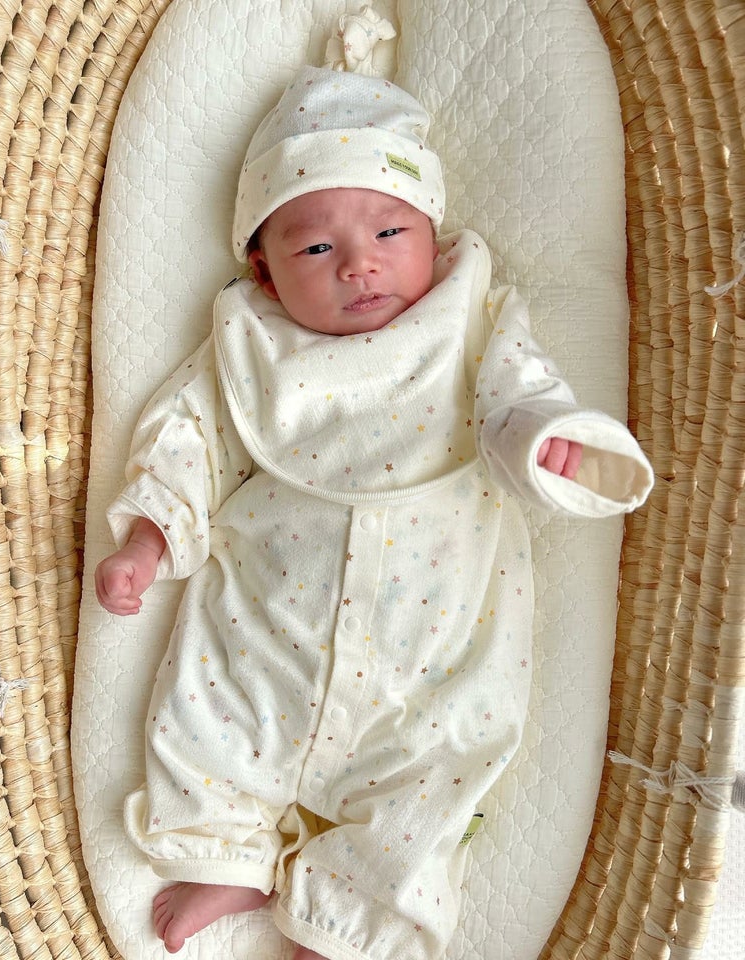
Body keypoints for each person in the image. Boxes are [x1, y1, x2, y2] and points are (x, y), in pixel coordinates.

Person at [95, 62, 653, 960]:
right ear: (264, 272)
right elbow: (189, 439)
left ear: (432, 232)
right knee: (206, 710)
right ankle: (228, 852)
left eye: (391, 231)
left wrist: (548, 443)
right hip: (271, 619)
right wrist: (150, 541)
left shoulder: (470, 318)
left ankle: (346, 922)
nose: (359, 263)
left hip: (429, 647)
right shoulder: (253, 343)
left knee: (434, 779)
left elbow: (519, 395)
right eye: (316, 249)